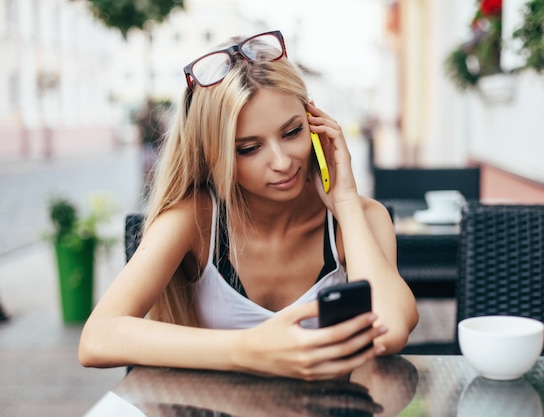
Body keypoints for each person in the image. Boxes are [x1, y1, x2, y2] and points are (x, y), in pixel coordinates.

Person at [79, 30, 418, 380]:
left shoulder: (359, 218)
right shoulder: (195, 219)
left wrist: (345, 201)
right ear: (214, 154)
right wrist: (251, 349)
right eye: (248, 148)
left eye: (292, 132)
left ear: (316, 124)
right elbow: (97, 339)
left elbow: (391, 329)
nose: (283, 162)